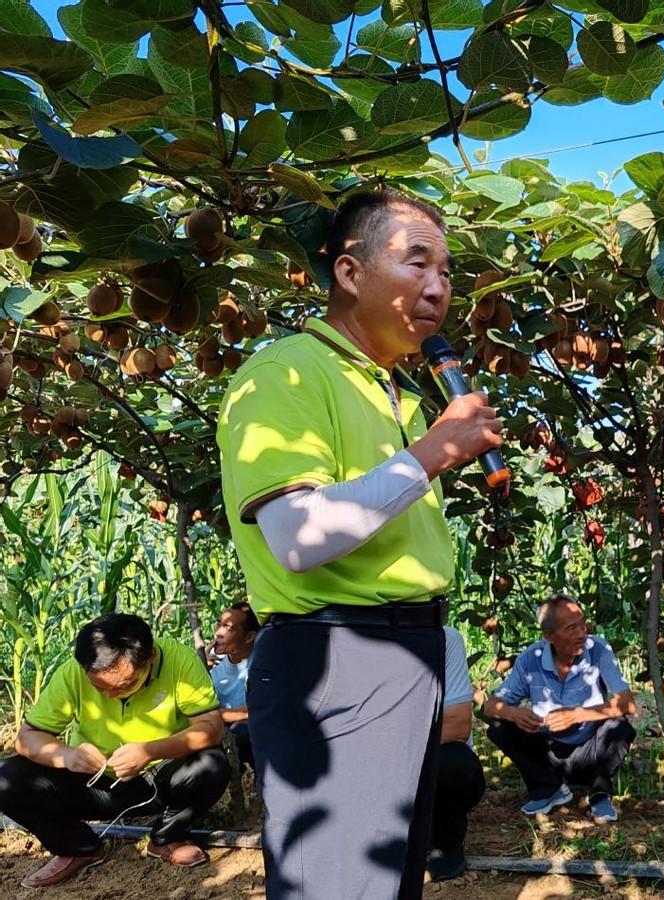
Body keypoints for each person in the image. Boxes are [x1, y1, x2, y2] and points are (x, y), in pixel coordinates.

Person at [216, 189, 502, 900]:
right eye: (416, 263)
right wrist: (432, 453)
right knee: (339, 886)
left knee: (383, 883)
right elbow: (296, 535)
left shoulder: (397, 395)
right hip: (334, 659)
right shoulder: (284, 374)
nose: (437, 288)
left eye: (446, 272)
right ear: (350, 273)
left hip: (408, 655)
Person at [0, 613, 230, 889]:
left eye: (123, 686)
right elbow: (27, 738)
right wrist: (67, 756)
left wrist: (149, 751)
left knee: (211, 766)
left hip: (158, 778)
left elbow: (211, 726)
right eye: (99, 688)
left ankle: (167, 837)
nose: (109, 696)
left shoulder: (178, 660)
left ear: (150, 659)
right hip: (94, 782)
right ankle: (78, 847)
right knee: (7, 779)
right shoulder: (73, 672)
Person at [483, 595, 636, 823]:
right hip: (548, 753)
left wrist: (576, 715)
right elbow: (490, 706)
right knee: (498, 727)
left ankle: (599, 793)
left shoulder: (598, 650)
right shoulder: (531, 659)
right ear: (549, 636)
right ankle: (549, 789)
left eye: (583, 624)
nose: (581, 633)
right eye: (572, 628)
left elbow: (627, 703)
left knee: (619, 726)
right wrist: (514, 713)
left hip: (591, 751)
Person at [426, 625, 485, 883]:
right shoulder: (343, 636)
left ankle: (444, 841)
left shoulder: (445, 639)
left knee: (453, 764)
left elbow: (457, 727)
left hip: (421, 758)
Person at [208, 602, 259, 769]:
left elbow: (256, 710)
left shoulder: (261, 664)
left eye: (227, 627)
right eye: (218, 624)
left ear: (249, 637)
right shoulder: (210, 662)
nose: (218, 633)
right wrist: (199, 670)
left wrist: (217, 716)